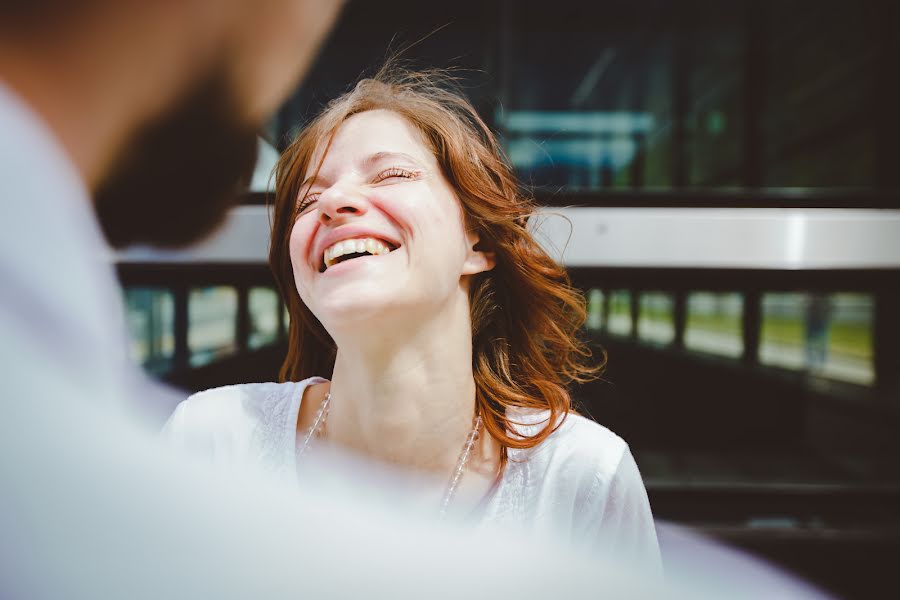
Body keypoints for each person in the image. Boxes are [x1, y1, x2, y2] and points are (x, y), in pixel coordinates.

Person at [164, 66, 662, 570]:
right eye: (308, 200)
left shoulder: (581, 477)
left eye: (392, 174)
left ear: (480, 243)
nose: (334, 203)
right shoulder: (211, 443)